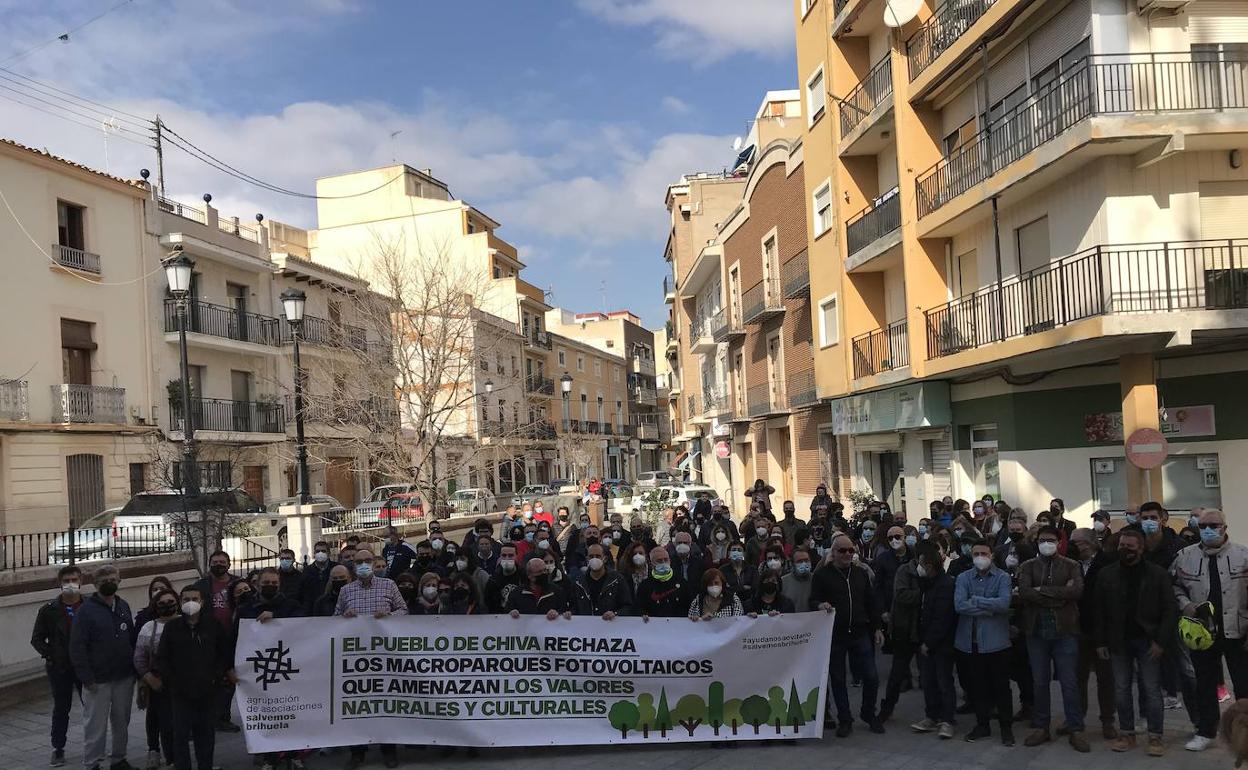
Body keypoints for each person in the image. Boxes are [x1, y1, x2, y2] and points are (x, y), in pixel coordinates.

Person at [1093, 528, 1177, 757]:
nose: (1125, 550)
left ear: (1141, 548)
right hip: (1118, 642)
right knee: (1121, 690)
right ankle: (1127, 733)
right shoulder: (1106, 574)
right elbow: (1098, 611)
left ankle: (1155, 736)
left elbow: (1170, 610)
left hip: (1148, 640)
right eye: (1122, 545)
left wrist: (1161, 641)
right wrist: (1100, 641)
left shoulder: (1157, 574)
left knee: (1151, 689)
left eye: (1130, 546)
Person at [1171, 508, 1248, 751]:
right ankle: (1206, 731)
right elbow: (1174, 588)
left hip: (1238, 630)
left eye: (1213, 525)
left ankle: (1243, 733)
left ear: (1225, 527)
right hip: (1202, 633)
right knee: (1204, 683)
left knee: (1244, 685)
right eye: (1203, 526)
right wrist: (1186, 605)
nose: (1208, 530)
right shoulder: (1184, 556)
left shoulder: (1243, 556)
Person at [1019, 525, 1087, 751]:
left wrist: (1042, 591)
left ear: (1059, 543)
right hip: (1036, 632)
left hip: (1065, 631)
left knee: (1069, 682)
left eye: (1050, 540)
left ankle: (1075, 729)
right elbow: (1025, 593)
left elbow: (1076, 592)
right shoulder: (1027, 566)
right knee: (1039, 682)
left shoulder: (1071, 565)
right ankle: (1041, 727)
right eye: (1041, 540)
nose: (1045, 543)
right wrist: (1059, 593)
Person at [154, 585, 235, 770]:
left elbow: (223, 653)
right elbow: (162, 657)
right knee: (180, 736)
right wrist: (172, 680)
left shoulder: (213, 625)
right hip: (180, 693)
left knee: (205, 735)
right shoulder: (172, 627)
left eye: (195, 599)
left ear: (202, 602)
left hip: (207, 691)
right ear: (180, 602)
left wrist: (216, 675)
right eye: (186, 599)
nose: (190, 603)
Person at [336, 548, 404, 768]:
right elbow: (334, 619)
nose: (363, 564)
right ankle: (357, 751)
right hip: (356, 658)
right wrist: (343, 617)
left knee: (385, 703)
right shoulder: (346, 591)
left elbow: (404, 611)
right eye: (359, 561)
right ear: (353, 566)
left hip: (384, 657)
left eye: (367, 560)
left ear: (374, 563)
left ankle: (388, 749)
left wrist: (390, 616)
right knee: (357, 705)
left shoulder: (389, 585)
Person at [811, 533, 884, 737]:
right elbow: (813, 599)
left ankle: (869, 713)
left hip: (860, 632)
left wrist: (877, 628)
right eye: (842, 550)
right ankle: (845, 719)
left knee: (871, 677)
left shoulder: (860, 574)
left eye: (851, 550)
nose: (847, 554)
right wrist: (820, 604)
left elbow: (871, 602)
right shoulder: (822, 575)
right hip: (835, 634)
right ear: (833, 553)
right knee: (838, 679)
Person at [68, 564, 135, 770]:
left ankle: (118, 759)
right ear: (95, 585)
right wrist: (86, 677)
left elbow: (131, 638)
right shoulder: (86, 611)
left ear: (119, 582)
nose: (109, 584)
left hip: (123, 676)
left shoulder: (123, 606)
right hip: (98, 680)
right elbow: (77, 646)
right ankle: (92, 763)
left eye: (113, 580)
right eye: (104, 581)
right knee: (95, 724)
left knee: (122, 721)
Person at [953, 539, 1015, 746]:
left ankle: (1006, 728)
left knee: (1001, 688)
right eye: (976, 554)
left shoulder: (1003, 577)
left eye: (984, 553)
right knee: (977, 687)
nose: (980, 557)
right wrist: (991, 607)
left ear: (992, 555)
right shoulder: (963, 577)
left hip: (996, 643)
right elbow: (960, 605)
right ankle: (982, 725)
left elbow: (1004, 603)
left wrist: (977, 601)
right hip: (969, 643)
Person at [31, 565, 85, 767]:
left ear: (81, 582)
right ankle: (58, 748)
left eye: (74, 580)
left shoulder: (88, 606)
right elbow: (36, 639)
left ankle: (93, 744)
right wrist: (51, 654)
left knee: (91, 707)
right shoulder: (49, 610)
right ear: (60, 583)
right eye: (66, 581)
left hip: (84, 666)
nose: (70, 584)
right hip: (60, 667)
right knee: (62, 708)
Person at [1068, 527, 1117, 740]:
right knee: (1077, 678)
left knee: (1106, 679)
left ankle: (1108, 721)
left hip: (1102, 631)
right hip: (1076, 629)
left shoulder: (1108, 563)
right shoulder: (1070, 564)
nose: (1074, 547)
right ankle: (1076, 719)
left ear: (1090, 543)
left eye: (1077, 542)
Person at [909, 541, 957, 740]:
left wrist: (929, 642)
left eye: (920, 563)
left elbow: (942, 617)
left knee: (944, 681)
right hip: (925, 641)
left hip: (941, 644)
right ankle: (932, 716)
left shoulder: (945, 584)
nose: (918, 567)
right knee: (928, 681)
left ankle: (947, 720)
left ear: (929, 564)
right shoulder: (926, 584)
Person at [190, 550, 241, 733]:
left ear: (229, 564)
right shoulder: (201, 585)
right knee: (212, 677)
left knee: (230, 679)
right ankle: (208, 716)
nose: (219, 564)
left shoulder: (238, 583)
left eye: (222, 561)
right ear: (210, 564)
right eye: (215, 561)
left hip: (234, 637)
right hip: (210, 638)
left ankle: (223, 716)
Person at [132, 588, 179, 770]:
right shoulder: (149, 627)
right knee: (166, 725)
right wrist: (149, 678)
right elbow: (139, 656)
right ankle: (171, 761)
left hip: (185, 683)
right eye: (162, 604)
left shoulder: (186, 622)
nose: (167, 606)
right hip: (159, 684)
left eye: (171, 602)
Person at [879, 545, 921, 723]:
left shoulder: (938, 574)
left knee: (935, 674)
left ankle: (940, 714)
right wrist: (924, 594)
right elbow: (901, 595)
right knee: (897, 672)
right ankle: (887, 709)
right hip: (904, 629)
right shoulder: (904, 571)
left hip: (925, 628)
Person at [571, 543, 631, 618]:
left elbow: (627, 606)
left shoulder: (617, 580)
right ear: (587, 559)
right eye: (591, 556)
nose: (594, 559)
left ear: (605, 559)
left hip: (611, 626)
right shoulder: (579, 582)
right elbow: (573, 607)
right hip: (586, 627)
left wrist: (615, 613)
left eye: (598, 556)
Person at [634, 546, 691, 619]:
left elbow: (691, 605)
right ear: (651, 564)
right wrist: (642, 614)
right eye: (659, 561)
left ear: (670, 561)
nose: (664, 563)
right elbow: (639, 608)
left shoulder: (682, 582)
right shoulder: (645, 585)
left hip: (678, 627)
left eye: (666, 560)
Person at [130, 576, 176, 647]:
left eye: (162, 588)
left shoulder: (177, 612)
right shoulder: (142, 617)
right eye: (155, 589)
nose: (158, 591)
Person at [484, 543, 524, 613]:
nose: (507, 558)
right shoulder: (493, 580)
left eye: (511, 555)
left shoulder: (524, 576)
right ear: (500, 557)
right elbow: (488, 603)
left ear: (516, 556)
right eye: (504, 555)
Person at [299, 541, 335, 613]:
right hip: (312, 610)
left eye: (323, 551)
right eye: (318, 551)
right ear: (314, 554)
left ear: (329, 553)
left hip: (332, 608)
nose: (320, 553)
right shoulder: (307, 571)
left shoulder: (335, 568)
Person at [782, 548, 815, 614]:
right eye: (799, 561)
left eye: (806, 560)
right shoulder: (783, 582)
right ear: (792, 564)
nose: (804, 564)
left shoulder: (816, 579)